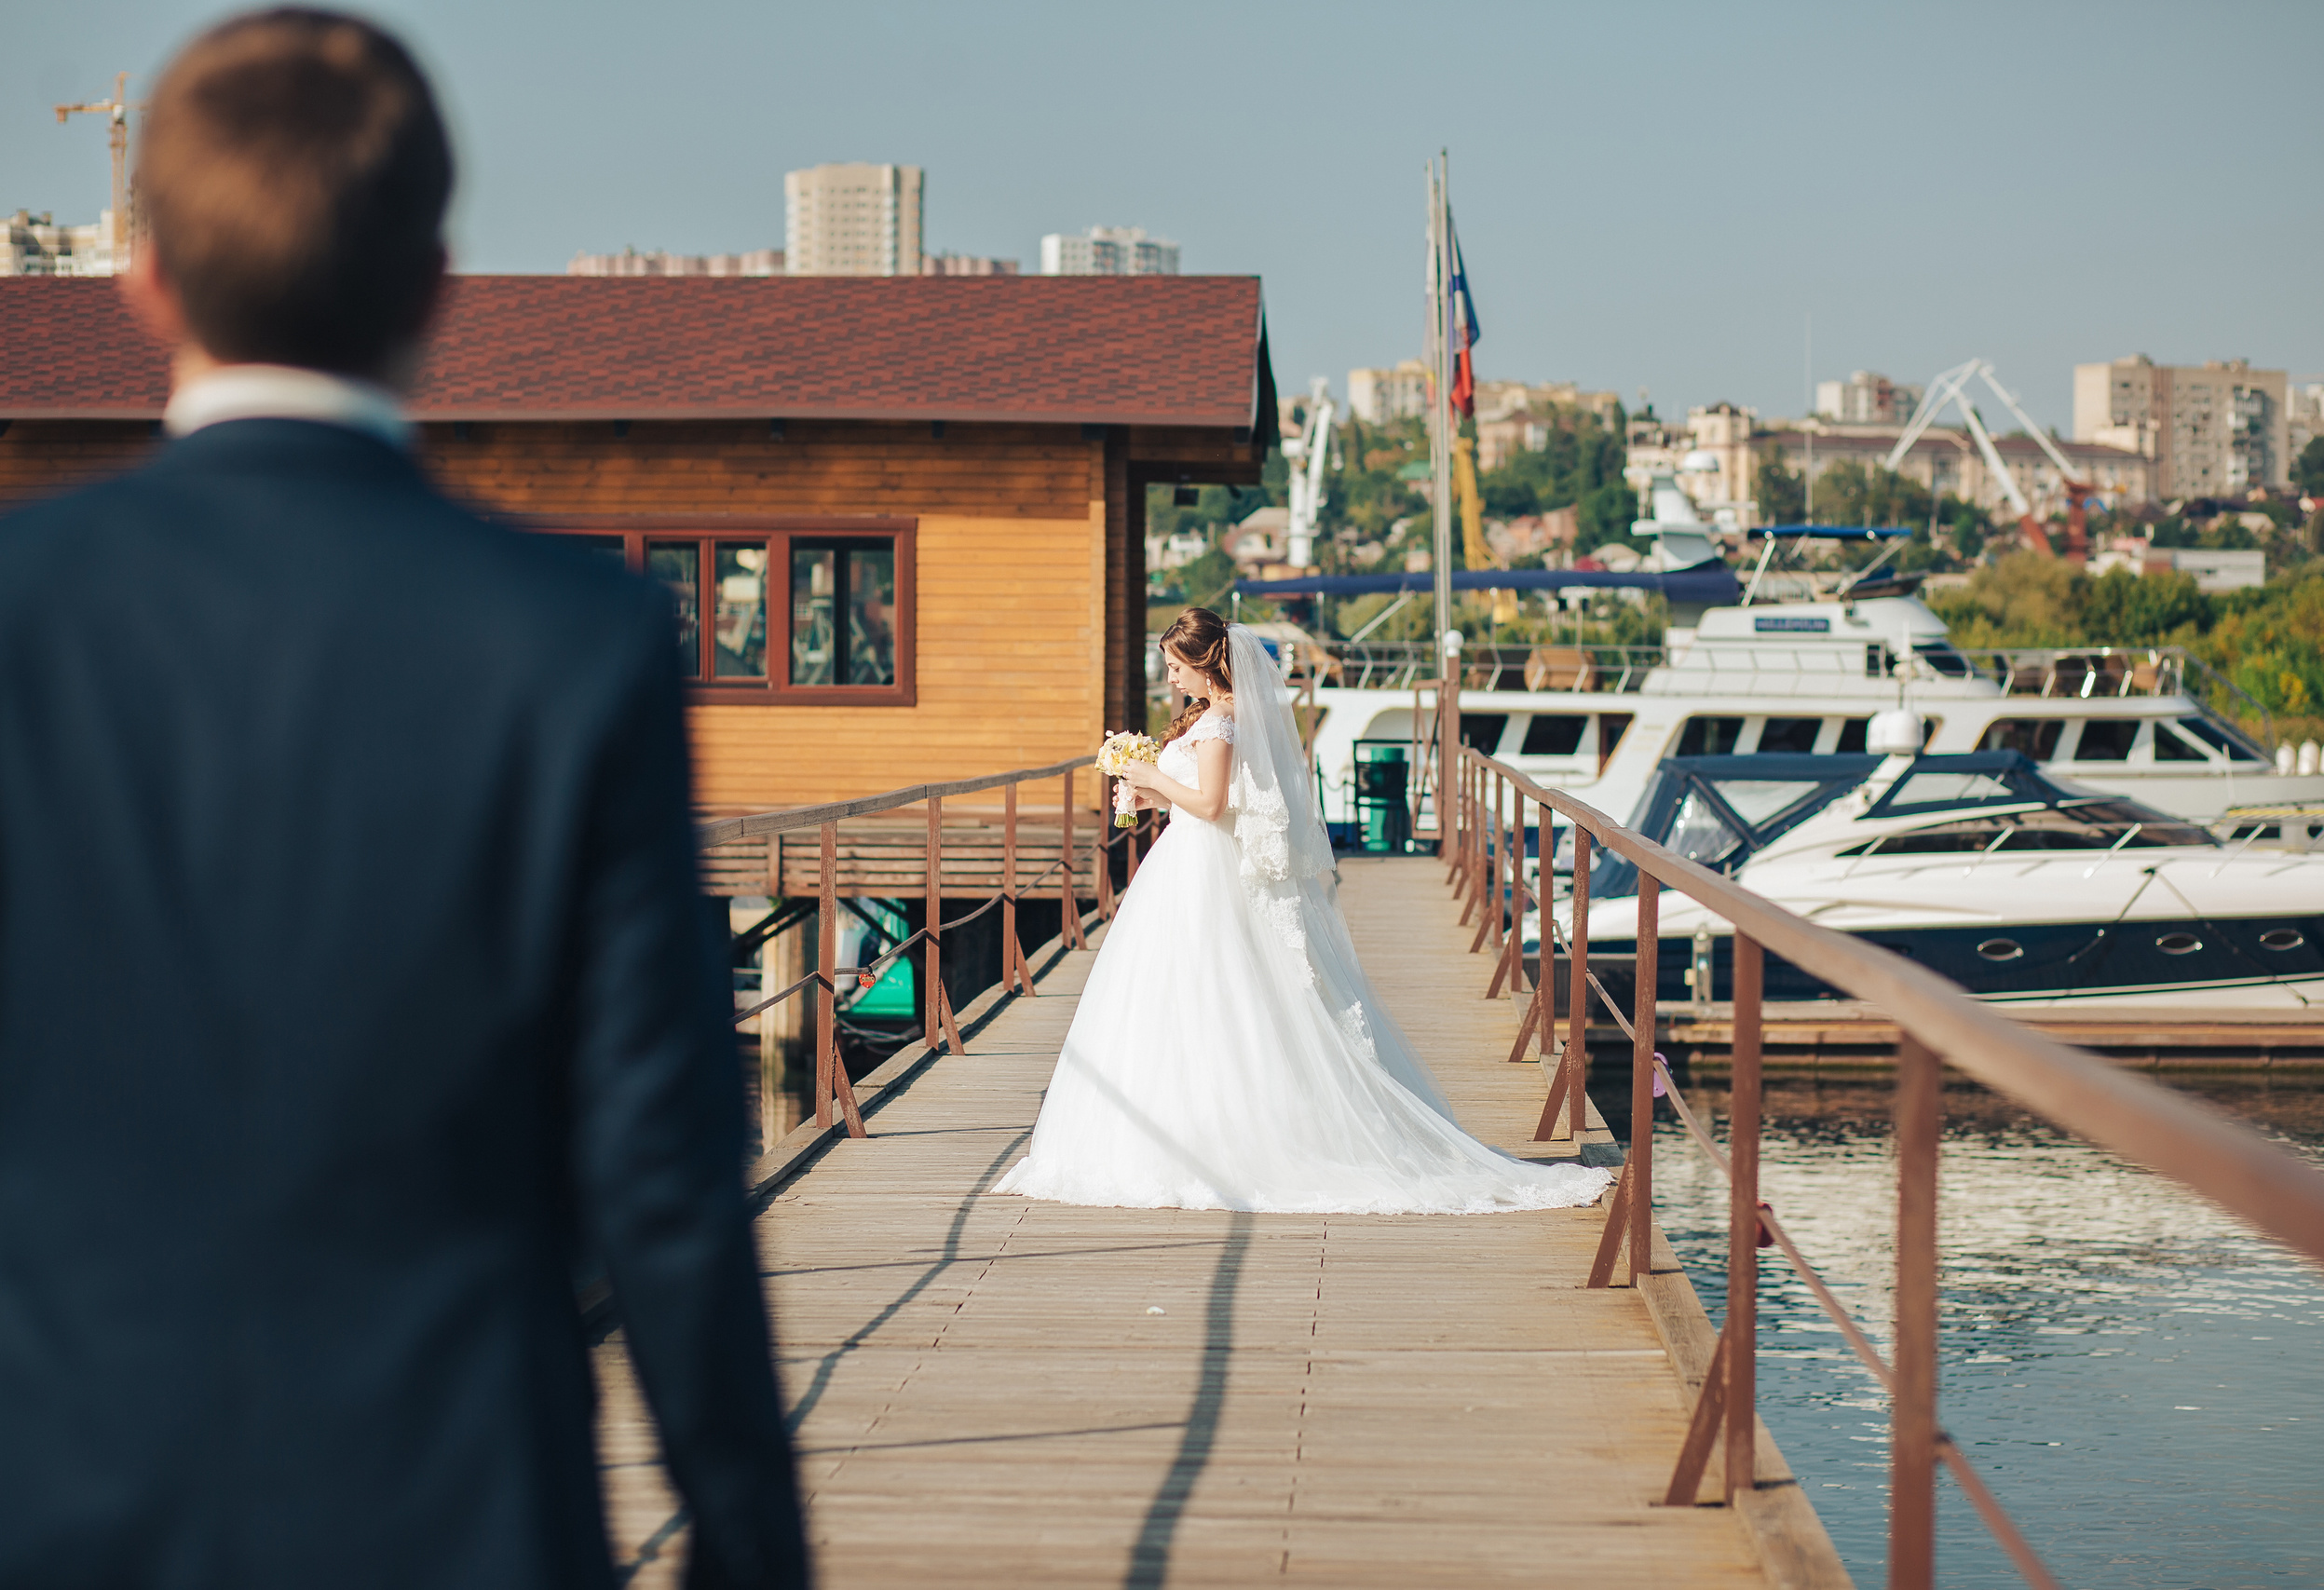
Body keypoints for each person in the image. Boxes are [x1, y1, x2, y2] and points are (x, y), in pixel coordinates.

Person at [0, 12, 806, 1588]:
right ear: (438, 285)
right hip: (458, 1504)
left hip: (61, 1486)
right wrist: (746, 1534)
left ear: (143, 278)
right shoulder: (577, 636)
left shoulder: (24, 613)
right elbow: (658, 1161)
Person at [995, 609, 1613, 1213]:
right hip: (1187, 862)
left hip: (1202, 867)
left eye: (1174, 664)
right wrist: (1146, 785)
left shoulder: (1219, 726)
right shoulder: (1212, 717)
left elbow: (1211, 806)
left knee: (1214, 988)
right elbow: (1214, 805)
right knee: (1184, 992)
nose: (1170, 677)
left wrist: (1150, 774)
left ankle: (1227, 1133)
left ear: (1203, 662)